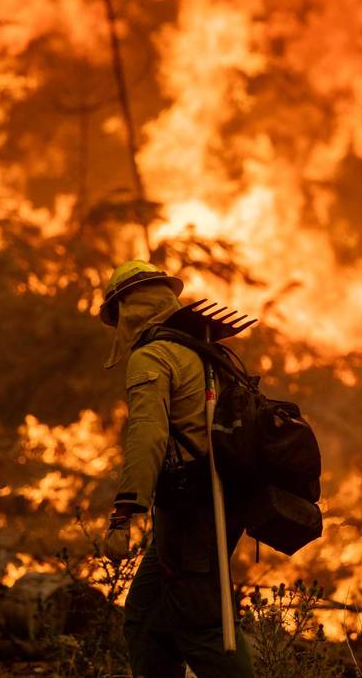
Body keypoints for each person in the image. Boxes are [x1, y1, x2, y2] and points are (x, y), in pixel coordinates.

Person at [98, 260, 255, 678]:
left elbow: (147, 436)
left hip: (192, 512)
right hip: (216, 502)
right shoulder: (203, 351)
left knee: (203, 627)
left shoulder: (152, 355)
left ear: (127, 309)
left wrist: (123, 514)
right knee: (148, 619)